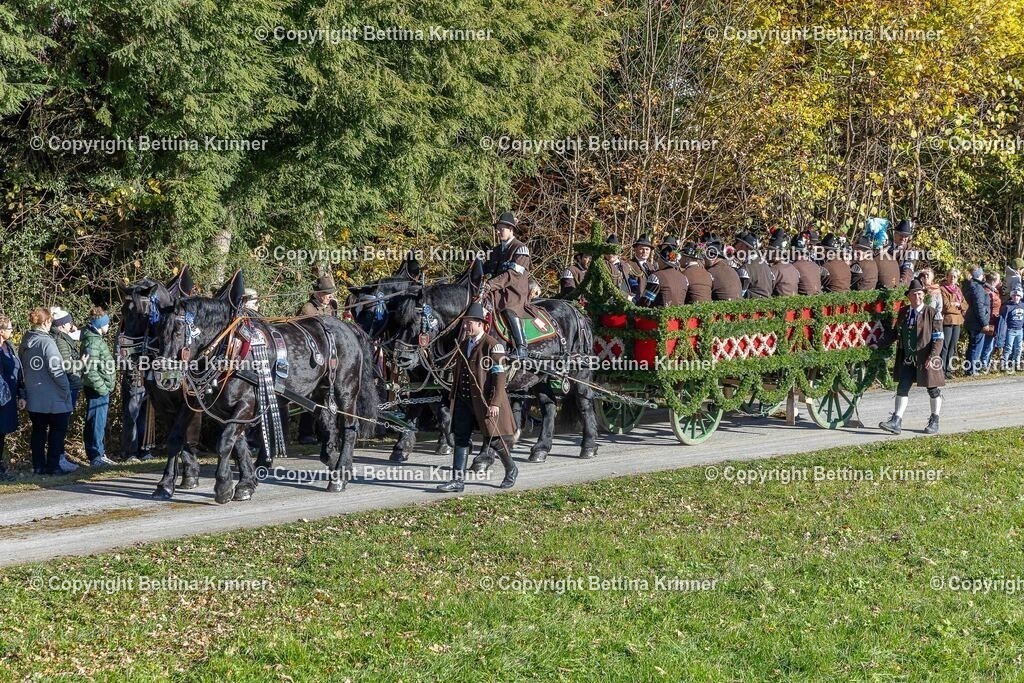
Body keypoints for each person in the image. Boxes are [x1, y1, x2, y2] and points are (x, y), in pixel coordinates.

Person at [437, 303, 517, 493]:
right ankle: (457, 481)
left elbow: (499, 376)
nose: (466, 326)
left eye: (469, 323)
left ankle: (511, 468)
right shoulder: (464, 344)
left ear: (481, 324)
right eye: (465, 323)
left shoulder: (493, 345)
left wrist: (495, 402)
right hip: (464, 400)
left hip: (484, 402)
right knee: (461, 438)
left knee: (494, 439)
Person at [876, 280, 944, 435]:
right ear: (909, 297)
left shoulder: (932, 313)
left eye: (920, 294)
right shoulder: (904, 312)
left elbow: (939, 338)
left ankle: (935, 420)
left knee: (932, 389)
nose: (917, 297)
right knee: (902, 388)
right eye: (914, 294)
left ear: (924, 295)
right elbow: (895, 333)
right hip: (908, 358)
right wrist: (878, 344)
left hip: (927, 358)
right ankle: (896, 421)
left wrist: (932, 356)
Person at [20, 308, 76, 474]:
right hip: (54, 398)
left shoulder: (26, 340)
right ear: (45, 322)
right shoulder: (47, 342)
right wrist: (65, 389)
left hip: (34, 396)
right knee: (57, 431)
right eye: (50, 321)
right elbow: (56, 370)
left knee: (38, 432)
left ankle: (38, 466)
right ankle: (53, 466)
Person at [481, 211, 532, 361]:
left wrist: (490, 284)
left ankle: (521, 346)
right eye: (497, 228)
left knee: (509, 309)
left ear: (511, 229)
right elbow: (488, 270)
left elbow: (512, 275)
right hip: (494, 291)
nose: (498, 231)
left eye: (501, 228)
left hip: (513, 293)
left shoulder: (521, 249)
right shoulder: (495, 251)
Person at [81, 307, 117, 467]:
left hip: (100, 388)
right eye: (107, 323)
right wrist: (103, 387)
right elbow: (90, 370)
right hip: (97, 390)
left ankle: (99, 453)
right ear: (100, 324)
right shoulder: (93, 340)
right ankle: (96, 456)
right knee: (96, 422)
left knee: (98, 422)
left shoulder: (95, 338)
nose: (109, 326)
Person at [0, 315, 25, 481]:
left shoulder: (10, 347)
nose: (12, 331)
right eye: (9, 328)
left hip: (8, 399)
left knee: (2, 433)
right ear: (1, 331)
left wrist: (22, 394)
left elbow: (19, 371)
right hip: (1, 398)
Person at [50, 307, 84, 408]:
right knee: (66, 413)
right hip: (68, 384)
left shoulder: (60, 337)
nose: (71, 325)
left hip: (67, 384)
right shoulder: (61, 341)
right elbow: (66, 366)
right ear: (63, 324)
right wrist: (82, 362)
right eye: (70, 322)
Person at [639, 240, 689, 307]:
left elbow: (646, 301)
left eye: (659, 259)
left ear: (662, 261)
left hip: (658, 315)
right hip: (679, 316)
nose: (658, 261)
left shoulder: (656, 276)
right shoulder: (684, 278)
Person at [962, 266, 990, 375]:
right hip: (976, 322)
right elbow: (979, 307)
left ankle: (969, 369)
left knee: (972, 346)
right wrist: (984, 323)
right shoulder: (977, 287)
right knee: (976, 346)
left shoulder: (969, 285)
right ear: (979, 275)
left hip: (971, 320)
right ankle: (971, 370)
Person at [938, 268, 966, 379]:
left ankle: (948, 370)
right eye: (951, 276)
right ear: (947, 276)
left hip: (958, 321)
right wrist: (957, 306)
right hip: (948, 321)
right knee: (945, 346)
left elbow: (965, 305)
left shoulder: (958, 290)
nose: (953, 278)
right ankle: (941, 369)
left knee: (953, 346)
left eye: (955, 277)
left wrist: (958, 305)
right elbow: (946, 307)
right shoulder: (942, 289)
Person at [732, 232, 773, 298]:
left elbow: (740, 294)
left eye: (737, 243)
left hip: (753, 306)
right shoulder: (765, 265)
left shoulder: (745, 268)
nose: (735, 246)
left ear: (745, 246)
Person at [604, 235, 641, 301]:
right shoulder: (602, 265)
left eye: (613, 251)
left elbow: (632, 281)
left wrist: (635, 294)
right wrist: (624, 296)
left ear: (618, 253)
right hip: (608, 299)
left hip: (627, 300)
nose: (610, 254)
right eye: (608, 251)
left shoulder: (625, 265)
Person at [995, 287, 1024, 370]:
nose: (1016, 297)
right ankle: (1004, 365)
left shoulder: (1022, 305)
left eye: (1018, 295)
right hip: (1010, 330)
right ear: (1012, 296)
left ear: (1020, 296)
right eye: (1014, 295)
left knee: (1018, 348)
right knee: (1008, 348)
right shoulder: (1008, 306)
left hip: (1020, 330)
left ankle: (1017, 364)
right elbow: (1004, 320)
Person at [981, 273, 1002, 371]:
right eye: (998, 280)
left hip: (993, 320)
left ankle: (985, 363)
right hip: (990, 320)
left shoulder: (993, 290)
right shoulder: (988, 292)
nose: (1000, 282)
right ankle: (983, 364)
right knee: (987, 343)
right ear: (994, 281)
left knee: (990, 343)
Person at [767, 231, 799, 296]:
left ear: (777, 253)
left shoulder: (774, 269)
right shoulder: (793, 267)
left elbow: (766, 290)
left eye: (770, 250)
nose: (767, 253)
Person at [891, 218, 917, 284]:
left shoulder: (912, 250)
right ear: (895, 234)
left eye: (906, 236)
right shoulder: (885, 247)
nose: (903, 238)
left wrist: (902, 284)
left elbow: (908, 268)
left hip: (901, 283)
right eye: (901, 235)